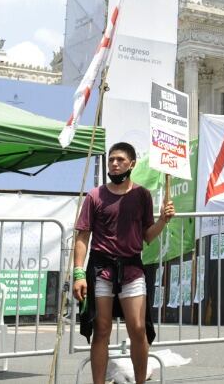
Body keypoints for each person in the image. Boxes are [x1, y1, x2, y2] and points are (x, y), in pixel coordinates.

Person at [72, 142, 176, 384]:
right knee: (102, 330)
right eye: (111, 160)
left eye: (119, 159)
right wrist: (78, 274)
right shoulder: (95, 196)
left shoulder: (142, 195)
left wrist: (163, 220)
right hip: (101, 270)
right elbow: (82, 236)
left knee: (138, 329)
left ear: (132, 164)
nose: (114, 164)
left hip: (132, 269)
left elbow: (147, 236)